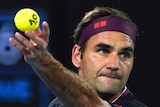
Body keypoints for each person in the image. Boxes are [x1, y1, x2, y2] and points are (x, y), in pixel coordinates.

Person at [9, 6, 148, 107]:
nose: (114, 64)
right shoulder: (57, 105)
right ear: (77, 55)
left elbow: (89, 104)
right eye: (103, 51)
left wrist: (43, 62)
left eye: (124, 54)